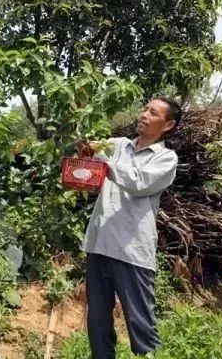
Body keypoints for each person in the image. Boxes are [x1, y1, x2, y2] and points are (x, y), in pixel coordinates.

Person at [81, 97, 182, 358]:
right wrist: (85, 146)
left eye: (153, 112)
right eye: (144, 109)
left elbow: (138, 183)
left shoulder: (165, 159)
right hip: (99, 245)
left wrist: (105, 165)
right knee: (97, 324)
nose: (144, 115)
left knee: (140, 326)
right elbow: (90, 151)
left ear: (168, 124)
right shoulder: (118, 146)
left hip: (132, 252)